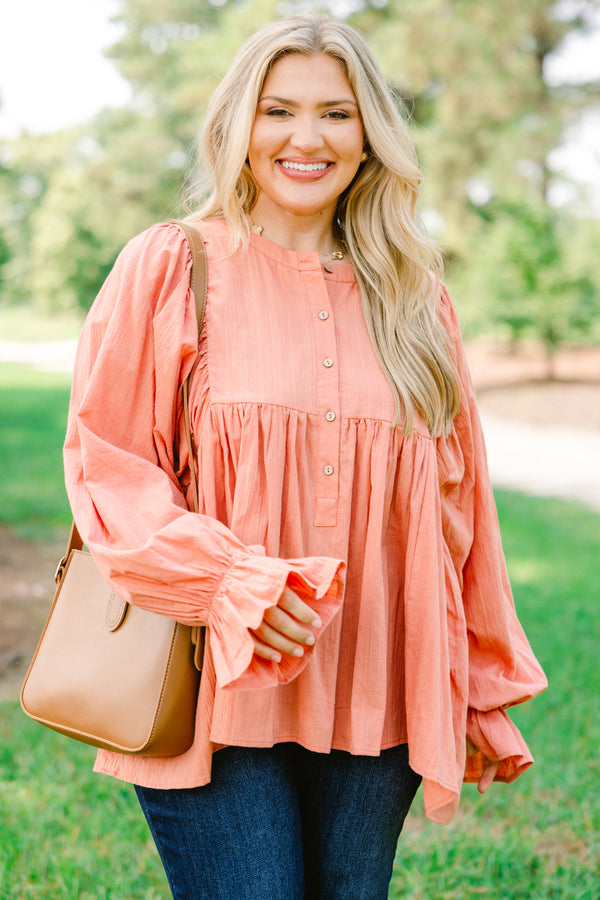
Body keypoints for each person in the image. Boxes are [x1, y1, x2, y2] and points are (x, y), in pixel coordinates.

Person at [64, 13, 547, 899]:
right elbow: (111, 468)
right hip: (214, 678)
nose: (306, 138)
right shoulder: (174, 265)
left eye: (336, 113)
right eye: (278, 110)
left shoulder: (416, 299)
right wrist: (228, 584)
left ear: (369, 137)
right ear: (238, 126)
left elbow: (460, 509)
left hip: (382, 686)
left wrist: (477, 679)